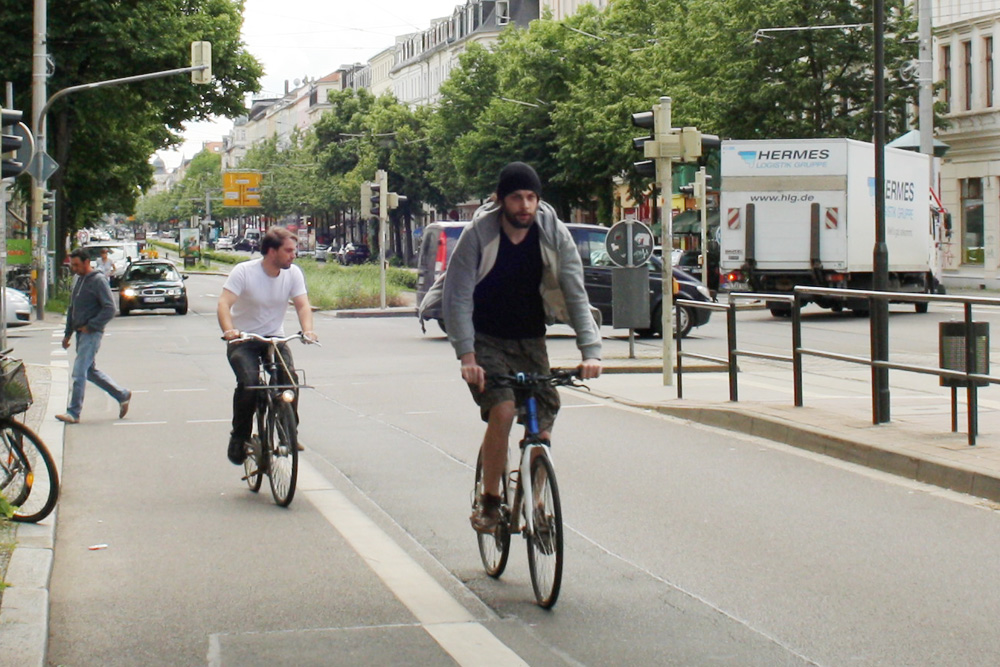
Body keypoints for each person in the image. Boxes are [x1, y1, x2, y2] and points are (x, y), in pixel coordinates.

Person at [439, 161, 602, 533]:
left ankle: (538, 503)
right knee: (504, 408)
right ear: (501, 200)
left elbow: (575, 292)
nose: (525, 206)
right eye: (517, 198)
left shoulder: (552, 233)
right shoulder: (479, 234)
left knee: (541, 423)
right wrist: (467, 356)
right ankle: (490, 501)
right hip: (486, 338)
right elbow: (458, 296)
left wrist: (590, 352)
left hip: (531, 337)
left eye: (531, 197)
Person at [217, 227, 318, 465]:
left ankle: (287, 433)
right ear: (272, 251)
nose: (294, 255)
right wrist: (229, 331)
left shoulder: (293, 273)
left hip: (275, 339)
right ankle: (239, 437)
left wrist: (308, 330)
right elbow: (224, 303)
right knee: (249, 384)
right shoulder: (244, 272)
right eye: (289, 250)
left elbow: (303, 305)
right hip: (244, 340)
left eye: (295, 250)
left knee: (289, 380)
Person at [56, 248, 131, 424]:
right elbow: (72, 309)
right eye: (72, 265)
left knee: (79, 371)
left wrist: (92, 326)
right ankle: (122, 394)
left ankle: (73, 412)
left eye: (76, 265)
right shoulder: (78, 280)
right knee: (89, 371)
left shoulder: (98, 281)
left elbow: (109, 308)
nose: (74, 268)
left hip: (91, 334)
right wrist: (67, 334)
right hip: (80, 333)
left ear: (86, 262)